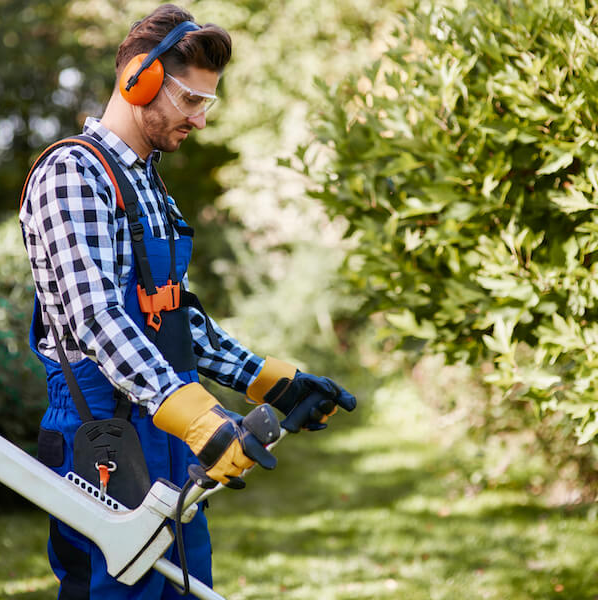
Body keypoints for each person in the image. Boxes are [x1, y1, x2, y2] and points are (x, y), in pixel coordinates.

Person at [19, 4, 356, 599]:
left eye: (208, 103)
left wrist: (274, 382)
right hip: (104, 435)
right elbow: (98, 317)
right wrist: (198, 416)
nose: (201, 120)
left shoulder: (148, 183)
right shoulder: (74, 174)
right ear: (138, 80)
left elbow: (173, 316)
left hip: (169, 427)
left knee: (184, 589)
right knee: (116, 589)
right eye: (191, 100)